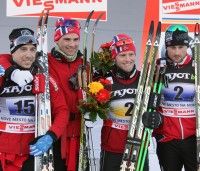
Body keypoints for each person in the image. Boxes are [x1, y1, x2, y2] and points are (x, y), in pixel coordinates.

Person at [0, 27, 68, 171]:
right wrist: (9, 72)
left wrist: (51, 135)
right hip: (4, 151)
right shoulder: (3, 74)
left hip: (32, 151)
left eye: (32, 49)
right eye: (23, 49)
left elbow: (62, 110)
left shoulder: (44, 77)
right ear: (13, 50)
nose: (29, 55)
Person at [142, 24, 196, 171]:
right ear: (166, 47)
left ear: (187, 46)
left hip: (194, 137)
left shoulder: (196, 66)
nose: (177, 52)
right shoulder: (158, 67)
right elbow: (146, 97)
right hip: (167, 138)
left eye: (181, 47)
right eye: (172, 47)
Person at [97, 34, 149, 171]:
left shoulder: (144, 79)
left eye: (131, 54)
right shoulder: (105, 81)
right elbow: (94, 108)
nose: (128, 59)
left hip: (138, 144)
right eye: (123, 55)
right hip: (112, 146)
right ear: (114, 57)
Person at [48, 18, 88, 171]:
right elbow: (7, 58)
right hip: (56, 130)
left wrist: (93, 108)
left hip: (80, 131)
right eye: (67, 39)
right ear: (57, 39)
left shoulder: (85, 64)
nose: (72, 44)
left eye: (76, 39)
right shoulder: (46, 61)